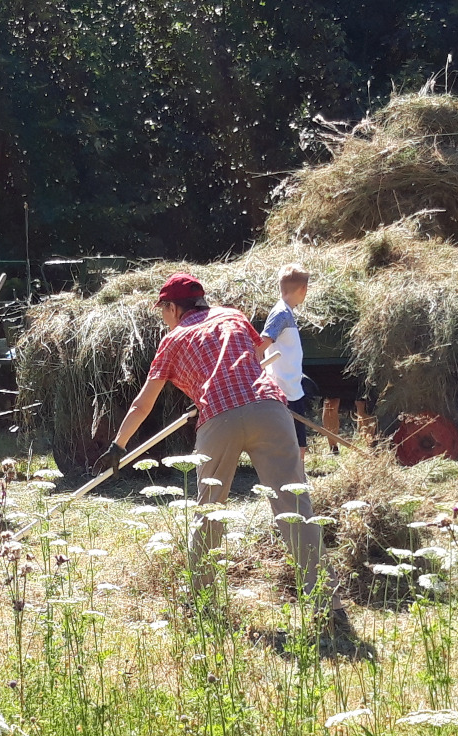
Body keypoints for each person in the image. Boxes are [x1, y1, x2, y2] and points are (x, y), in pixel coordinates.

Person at [100, 273, 354, 643]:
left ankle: (202, 603)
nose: (164, 319)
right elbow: (255, 358)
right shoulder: (233, 316)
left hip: (218, 417)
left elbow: (143, 403)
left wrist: (118, 446)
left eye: (163, 312)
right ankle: (330, 610)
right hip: (269, 409)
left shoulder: (172, 341)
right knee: (295, 509)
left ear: (173, 308)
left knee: (209, 511)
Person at [260, 264, 312, 460]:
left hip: (292, 387)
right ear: (303, 289)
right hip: (283, 390)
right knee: (293, 446)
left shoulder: (286, 312)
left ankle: (296, 481)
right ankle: (291, 482)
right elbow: (262, 344)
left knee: (299, 445)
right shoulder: (281, 313)